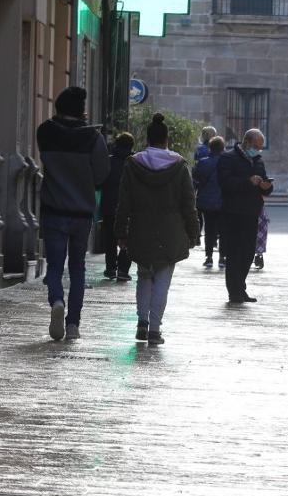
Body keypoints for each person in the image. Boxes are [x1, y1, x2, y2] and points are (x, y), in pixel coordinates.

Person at [114, 114, 199, 346]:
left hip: (141, 228)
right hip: (171, 231)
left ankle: (141, 322)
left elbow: (124, 202)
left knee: (143, 275)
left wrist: (120, 232)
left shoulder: (133, 164)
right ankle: (154, 329)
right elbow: (188, 204)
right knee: (162, 280)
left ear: (147, 139)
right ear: (167, 140)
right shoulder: (179, 166)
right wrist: (193, 232)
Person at [37, 86, 109, 342]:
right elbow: (101, 174)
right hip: (81, 213)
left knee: (55, 265)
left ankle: (57, 300)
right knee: (77, 269)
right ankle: (74, 325)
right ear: (81, 110)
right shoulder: (93, 138)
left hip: (54, 210)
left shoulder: (45, 131)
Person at [217, 129, 273, 303]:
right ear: (246, 142)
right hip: (233, 212)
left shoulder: (258, 160)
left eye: (260, 148)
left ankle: (240, 287)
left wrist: (266, 187)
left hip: (252, 211)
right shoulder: (228, 158)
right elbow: (225, 182)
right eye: (256, 146)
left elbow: (264, 183)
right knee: (234, 253)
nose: (257, 150)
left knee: (248, 252)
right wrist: (247, 182)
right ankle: (234, 292)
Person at [101, 132, 135, 281]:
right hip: (130, 207)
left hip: (110, 205)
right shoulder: (135, 163)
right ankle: (123, 269)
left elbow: (100, 181)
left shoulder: (108, 161)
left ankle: (110, 268)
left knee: (110, 237)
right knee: (127, 237)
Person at [192, 136, 225, 268]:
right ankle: (223, 257)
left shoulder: (203, 162)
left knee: (209, 229)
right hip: (223, 201)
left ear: (210, 148)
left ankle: (209, 256)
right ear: (222, 148)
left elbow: (196, 178)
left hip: (206, 201)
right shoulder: (226, 162)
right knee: (223, 231)